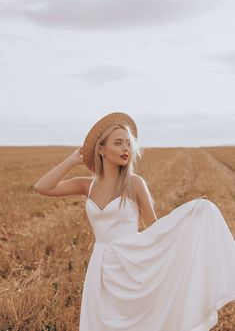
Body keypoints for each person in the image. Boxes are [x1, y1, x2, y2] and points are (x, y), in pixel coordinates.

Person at [34, 112, 235, 331]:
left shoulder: (135, 184)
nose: (125, 149)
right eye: (118, 143)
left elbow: (156, 227)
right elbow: (43, 187)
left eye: (128, 144)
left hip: (132, 262)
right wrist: (73, 159)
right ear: (101, 149)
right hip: (101, 266)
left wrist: (189, 214)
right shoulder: (87, 185)